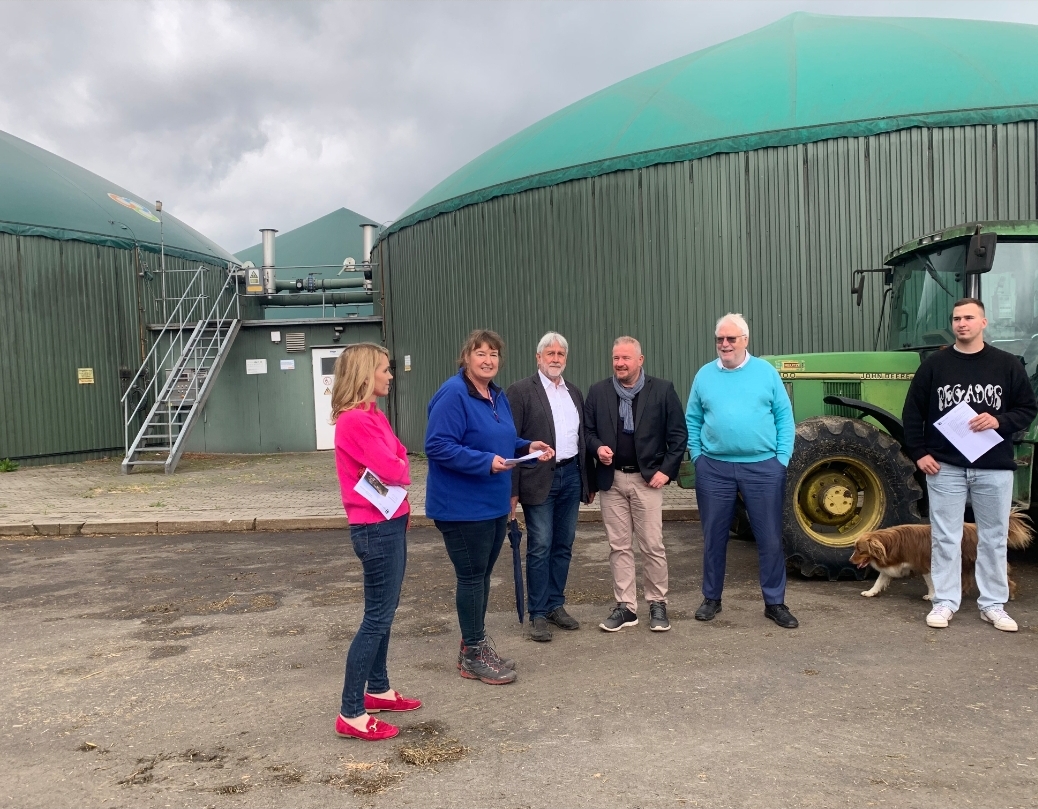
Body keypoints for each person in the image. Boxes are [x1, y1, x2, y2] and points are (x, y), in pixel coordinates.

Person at [426, 329, 555, 684]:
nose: (488, 360)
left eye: (494, 354)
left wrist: (526, 445)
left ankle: (475, 646)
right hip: (462, 506)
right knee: (471, 577)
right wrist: (484, 462)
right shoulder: (454, 393)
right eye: (480, 353)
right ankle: (473, 654)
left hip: (493, 503)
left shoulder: (495, 395)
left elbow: (501, 438)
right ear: (466, 357)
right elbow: (437, 445)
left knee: (481, 577)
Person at [903, 298, 1037, 632]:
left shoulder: (1007, 364)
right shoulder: (934, 365)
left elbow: (1027, 408)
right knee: (945, 536)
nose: (962, 323)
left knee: (993, 538)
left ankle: (993, 604)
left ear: (983, 322)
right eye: (956, 318)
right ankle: (944, 601)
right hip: (945, 466)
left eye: (969, 318)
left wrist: (999, 420)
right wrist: (919, 453)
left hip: (994, 466)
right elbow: (913, 412)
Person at [331, 343, 421, 742]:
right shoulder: (355, 421)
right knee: (377, 618)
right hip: (375, 527)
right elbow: (393, 467)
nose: (390, 375)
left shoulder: (374, 415)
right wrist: (397, 464)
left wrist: (397, 463)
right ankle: (351, 711)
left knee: (384, 612)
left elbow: (399, 455)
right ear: (366, 375)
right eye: (384, 369)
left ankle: (378, 689)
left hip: (389, 520)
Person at [685, 313, 797, 629]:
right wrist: (698, 457)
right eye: (720, 339)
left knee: (770, 538)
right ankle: (711, 598)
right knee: (714, 537)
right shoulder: (704, 375)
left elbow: (784, 417)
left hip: (763, 467)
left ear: (745, 340)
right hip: (714, 468)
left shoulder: (766, 373)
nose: (724, 344)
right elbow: (692, 418)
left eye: (731, 338)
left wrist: (781, 459)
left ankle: (775, 603)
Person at [584, 336, 687, 632]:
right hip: (612, 480)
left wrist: (666, 471)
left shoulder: (662, 390)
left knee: (652, 545)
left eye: (626, 358)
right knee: (618, 547)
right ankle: (626, 607)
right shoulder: (599, 391)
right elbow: (587, 432)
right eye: (616, 358)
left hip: (648, 481)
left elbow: (678, 436)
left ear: (640, 360)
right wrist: (597, 448)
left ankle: (657, 603)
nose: (620, 363)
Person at [507, 332, 596, 642]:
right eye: (550, 353)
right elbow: (510, 442)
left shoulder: (574, 392)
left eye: (560, 354)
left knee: (564, 544)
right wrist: (512, 491)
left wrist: (587, 481)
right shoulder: (520, 391)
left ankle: (556, 604)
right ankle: (538, 613)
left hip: (571, 476)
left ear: (565, 359)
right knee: (541, 545)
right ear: (538, 357)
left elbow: (581, 439)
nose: (555, 358)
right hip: (538, 478)